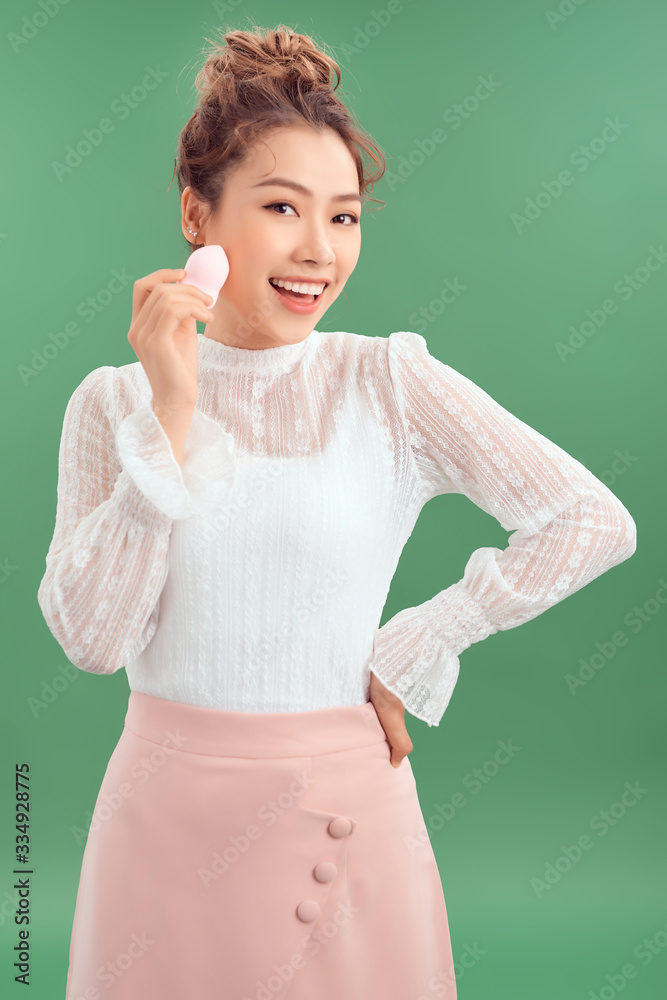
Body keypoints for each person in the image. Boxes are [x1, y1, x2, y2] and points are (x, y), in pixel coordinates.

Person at [37, 24, 637, 1000]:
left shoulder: (386, 382)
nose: (319, 250)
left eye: (345, 217)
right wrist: (172, 415)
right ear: (199, 213)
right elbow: (94, 642)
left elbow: (591, 518)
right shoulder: (113, 403)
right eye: (281, 207)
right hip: (161, 819)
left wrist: (420, 639)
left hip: (341, 811)